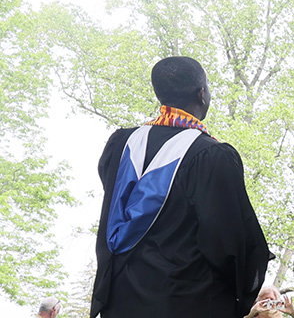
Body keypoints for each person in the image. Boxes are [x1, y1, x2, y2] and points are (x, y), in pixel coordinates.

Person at [91, 56, 271, 318]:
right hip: (187, 301)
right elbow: (229, 240)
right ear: (202, 95)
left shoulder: (120, 145)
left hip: (120, 298)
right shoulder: (211, 155)